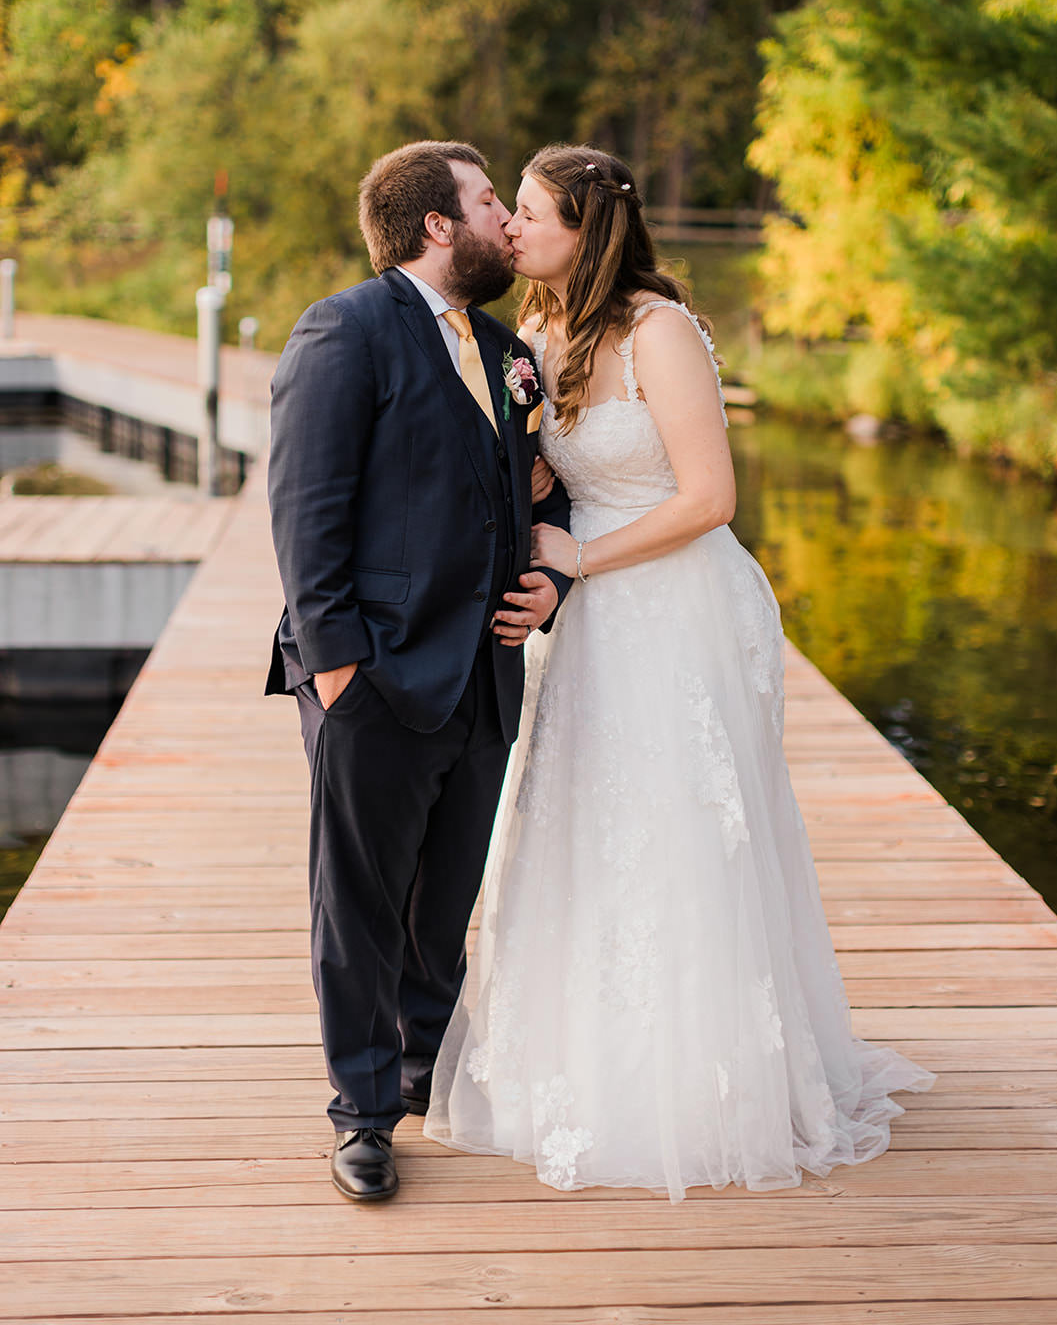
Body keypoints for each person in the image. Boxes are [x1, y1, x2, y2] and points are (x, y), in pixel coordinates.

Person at [425, 144, 934, 1200]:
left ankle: (706, 1079)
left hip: (674, 600)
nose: (511, 228)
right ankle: (583, 1055)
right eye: (506, 210)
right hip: (590, 614)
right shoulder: (535, 330)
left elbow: (709, 497)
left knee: (678, 818)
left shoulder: (658, 330)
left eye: (527, 212)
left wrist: (578, 561)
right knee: (580, 814)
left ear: (584, 228)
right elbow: (540, 475)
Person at [266, 140, 572, 1202]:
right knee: (356, 907)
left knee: (443, 901)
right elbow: (305, 519)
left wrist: (551, 584)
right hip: (377, 682)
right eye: (489, 200)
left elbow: (544, 494)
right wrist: (340, 674)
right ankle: (359, 1118)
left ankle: (423, 1074)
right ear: (437, 225)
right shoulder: (343, 332)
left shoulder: (502, 349)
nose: (505, 219)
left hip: (485, 677)